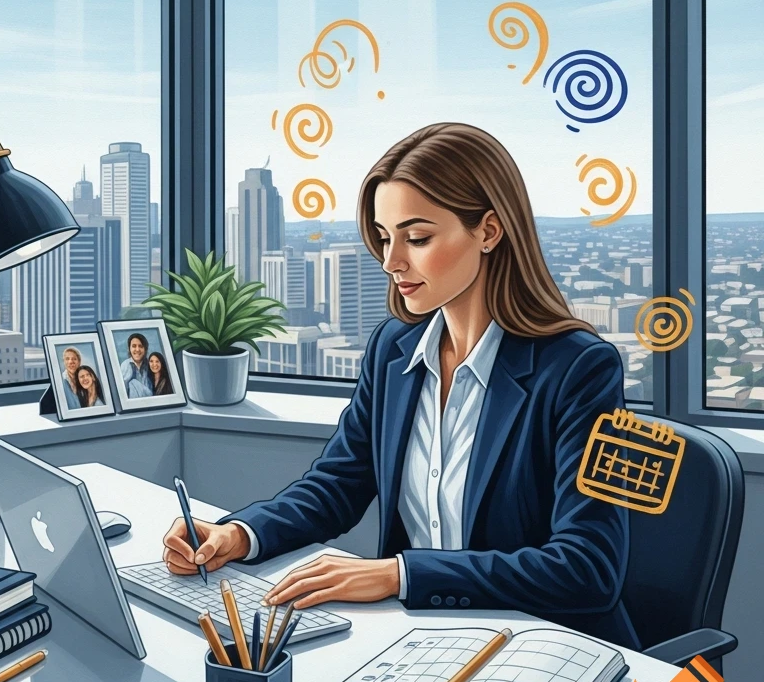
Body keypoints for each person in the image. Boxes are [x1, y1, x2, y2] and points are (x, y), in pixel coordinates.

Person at [162, 122, 640, 650]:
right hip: (420, 642)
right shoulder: (395, 349)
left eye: (416, 238)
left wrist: (400, 574)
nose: (391, 262)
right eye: (385, 238)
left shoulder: (583, 370)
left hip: (545, 651)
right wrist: (239, 535)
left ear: (489, 231)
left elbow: (588, 566)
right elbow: (337, 485)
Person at [120, 332, 154, 398]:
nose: (137, 350)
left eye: (141, 346)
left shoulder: (150, 364)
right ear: (129, 348)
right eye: (134, 346)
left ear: (145, 349)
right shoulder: (126, 365)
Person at [61, 346, 83, 411]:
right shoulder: (61, 380)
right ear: (64, 362)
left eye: (74, 359)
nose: (71, 362)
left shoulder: (84, 378)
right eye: (67, 359)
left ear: (79, 362)